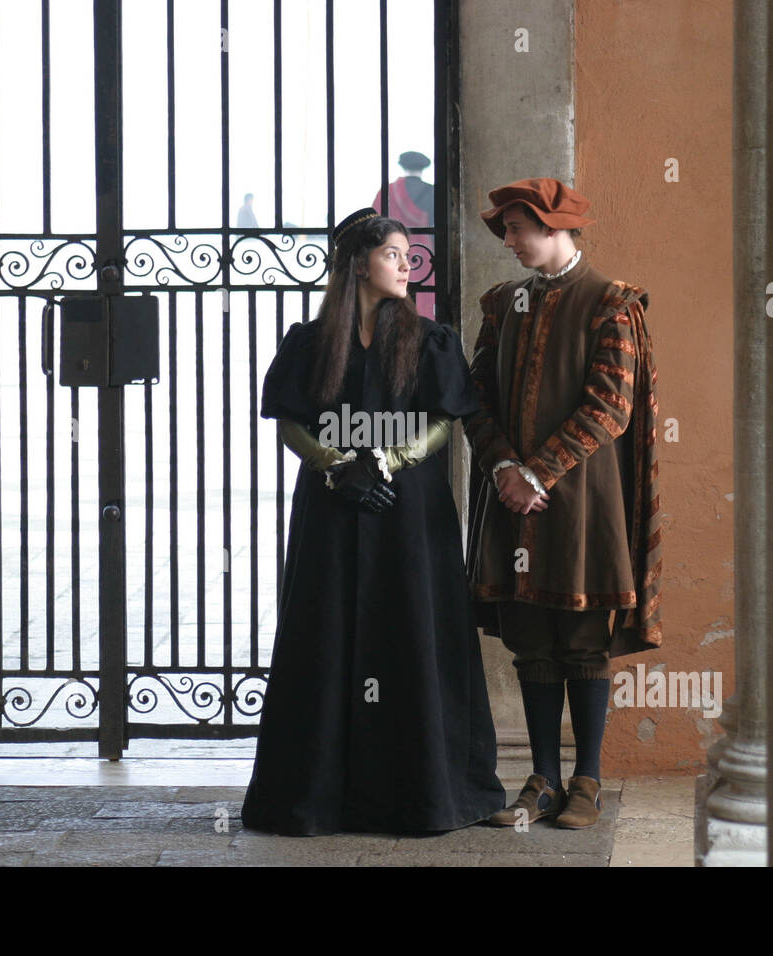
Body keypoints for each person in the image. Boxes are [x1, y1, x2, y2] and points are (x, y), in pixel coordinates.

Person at [241, 207, 506, 836]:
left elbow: (446, 420)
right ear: (360, 263)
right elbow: (289, 420)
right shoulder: (309, 342)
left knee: (412, 628)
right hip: (331, 508)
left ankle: (424, 794)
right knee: (326, 630)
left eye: (408, 253)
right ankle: (318, 796)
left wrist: (389, 460)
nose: (406, 264)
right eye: (393, 253)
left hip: (408, 510)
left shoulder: (429, 339)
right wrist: (336, 466)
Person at [463, 177, 663, 830]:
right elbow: (477, 399)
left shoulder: (612, 303)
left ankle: (589, 780)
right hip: (513, 498)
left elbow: (612, 403)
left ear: (555, 227)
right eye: (508, 229)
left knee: (582, 638)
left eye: (519, 228)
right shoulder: (500, 305)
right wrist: (501, 466)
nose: (511, 240)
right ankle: (543, 779)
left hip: (581, 498)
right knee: (531, 640)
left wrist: (539, 472)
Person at [371, 151, 435, 320]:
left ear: (402, 165)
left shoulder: (387, 191)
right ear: (423, 167)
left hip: (391, 252)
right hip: (424, 252)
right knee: (423, 296)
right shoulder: (432, 191)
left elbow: (373, 226)